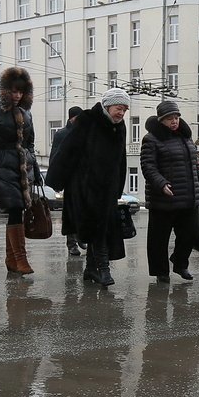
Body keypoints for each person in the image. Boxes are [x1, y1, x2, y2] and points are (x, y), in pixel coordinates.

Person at [46, 88, 130, 286]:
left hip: (107, 187)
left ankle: (91, 270)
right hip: (84, 185)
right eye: (119, 108)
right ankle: (104, 270)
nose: (121, 113)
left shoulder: (120, 126)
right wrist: (57, 180)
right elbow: (68, 150)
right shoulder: (87, 120)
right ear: (107, 106)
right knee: (97, 225)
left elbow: (121, 159)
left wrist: (118, 186)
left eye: (125, 110)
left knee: (100, 226)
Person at [0, 67, 41, 274]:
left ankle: (12, 259)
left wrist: (36, 170)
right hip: (2, 165)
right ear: (4, 91)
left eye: (21, 91)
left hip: (24, 166)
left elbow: (30, 144)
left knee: (19, 210)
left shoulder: (26, 113)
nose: (17, 95)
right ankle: (20, 258)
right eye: (13, 91)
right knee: (14, 207)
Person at [140, 100, 199, 283]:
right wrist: (161, 184)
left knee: (190, 233)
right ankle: (161, 272)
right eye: (170, 119)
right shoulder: (151, 139)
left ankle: (180, 263)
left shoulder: (185, 137)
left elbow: (194, 164)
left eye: (176, 118)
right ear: (161, 120)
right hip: (163, 197)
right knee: (159, 239)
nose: (174, 121)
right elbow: (148, 166)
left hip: (189, 196)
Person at [51, 105, 85, 256]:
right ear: (71, 118)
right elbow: (55, 156)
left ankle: (81, 237)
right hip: (69, 177)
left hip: (84, 176)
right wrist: (56, 180)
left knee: (83, 210)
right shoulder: (62, 134)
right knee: (71, 211)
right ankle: (72, 243)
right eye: (76, 118)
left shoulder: (86, 132)